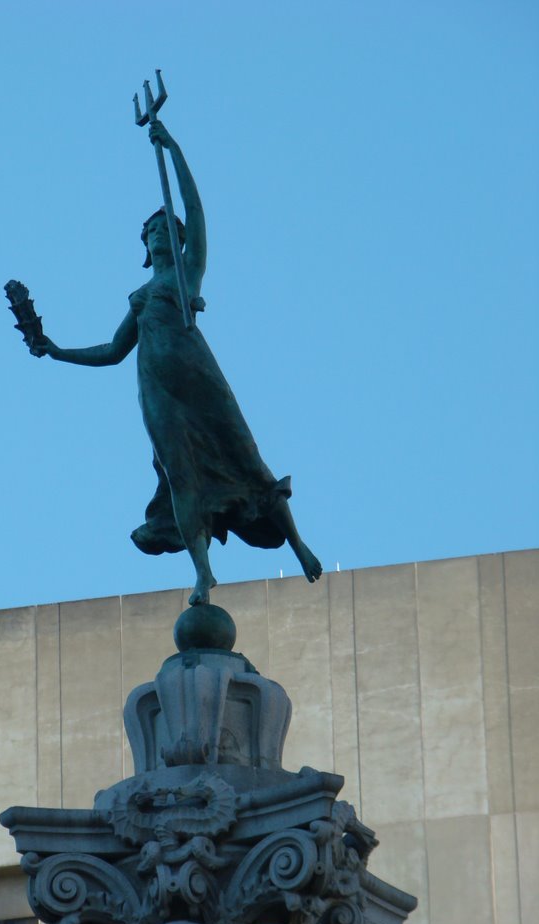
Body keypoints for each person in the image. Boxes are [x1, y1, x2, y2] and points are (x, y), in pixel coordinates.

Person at [30, 120, 322, 606]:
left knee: (244, 454)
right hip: (157, 391)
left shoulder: (188, 275)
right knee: (179, 474)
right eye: (152, 230)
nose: (161, 232)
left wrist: (173, 148)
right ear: (144, 247)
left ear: (180, 242)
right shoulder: (142, 295)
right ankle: (203, 573)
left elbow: (197, 211)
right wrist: (57, 350)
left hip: (198, 378)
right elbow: (112, 351)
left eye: (168, 228)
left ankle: (298, 544)